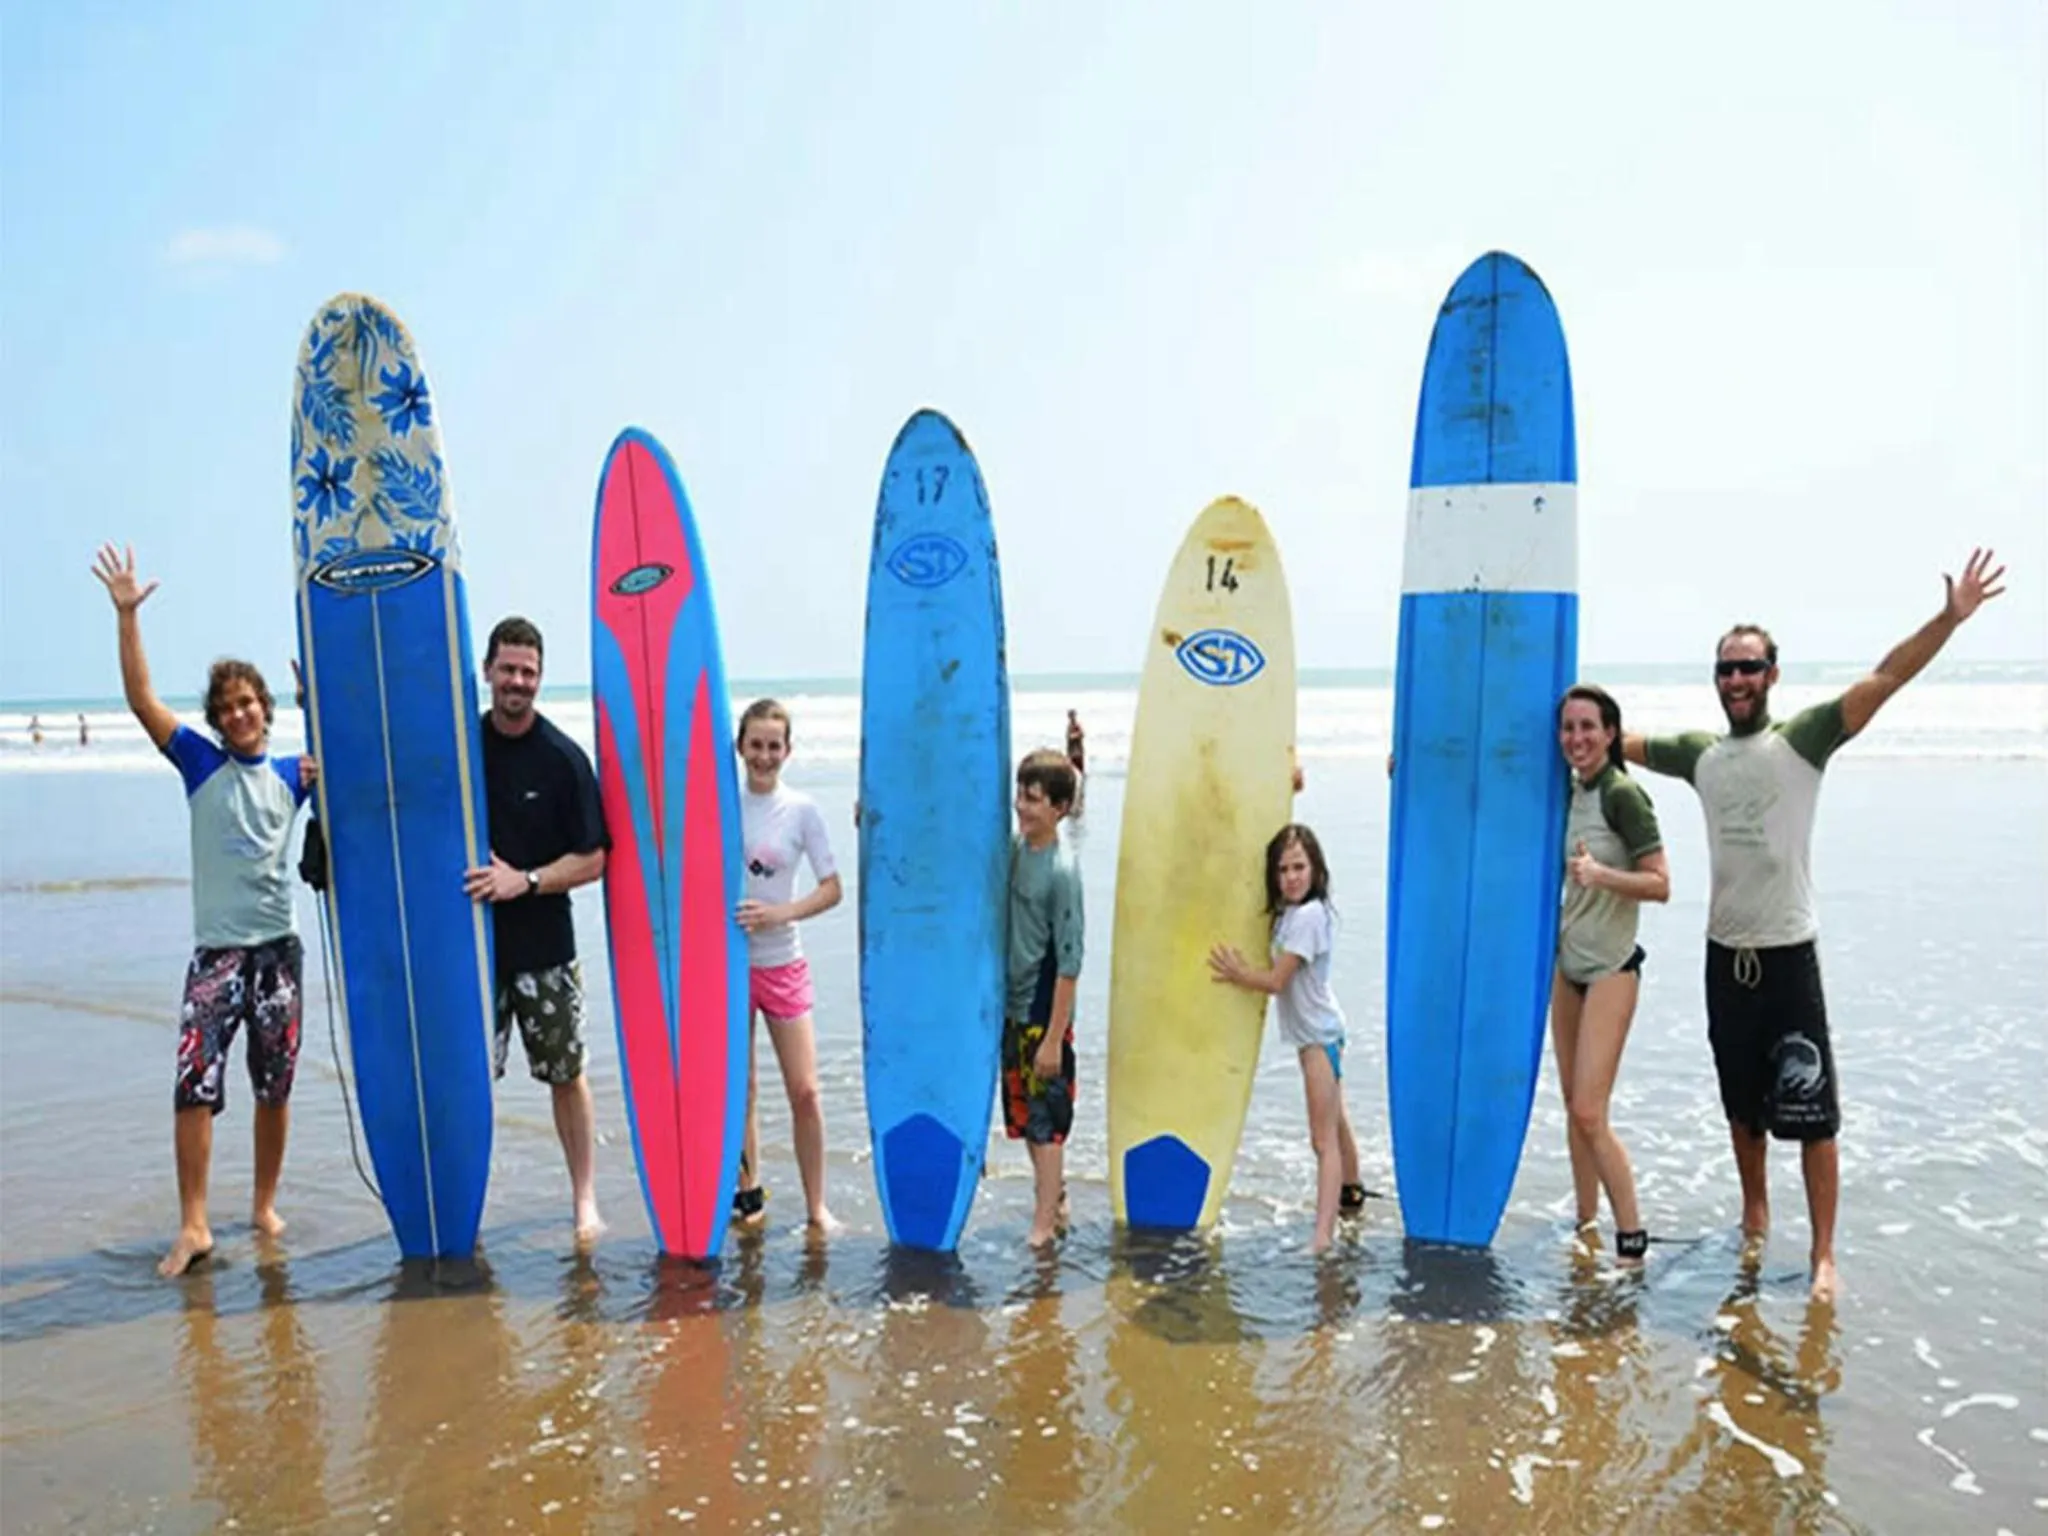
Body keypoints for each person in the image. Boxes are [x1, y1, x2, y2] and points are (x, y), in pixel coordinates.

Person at [1625, 548, 2007, 1302]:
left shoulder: (1804, 739)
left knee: (1813, 1115)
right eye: (1726, 670)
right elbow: (1607, 740)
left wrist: (1949, 619)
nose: (1737, 680)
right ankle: (1755, 1213)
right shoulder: (1699, 755)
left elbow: (1885, 679)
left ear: (1772, 674)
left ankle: (1826, 1253)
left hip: (1789, 957)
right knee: (1741, 1105)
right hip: (1723, 958)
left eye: (1750, 667)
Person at [91, 543, 316, 1278]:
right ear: (218, 722)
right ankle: (194, 1225)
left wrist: (323, 700)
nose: (239, 712)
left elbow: (351, 759)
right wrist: (128, 617)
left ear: (265, 709)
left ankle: (261, 1206)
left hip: (277, 951)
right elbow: (140, 701)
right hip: (218, 954)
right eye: (227, 707)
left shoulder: (293, 774)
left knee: (274, 1086)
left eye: (248, 701)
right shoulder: (200, 763)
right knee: (195, 1083)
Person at [463, 616, 609, 1250]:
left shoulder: (563, 760)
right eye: (507, 669)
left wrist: (522, 880)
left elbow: (596, 858)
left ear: (540, 678)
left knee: (565, 1074)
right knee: (468, 1081)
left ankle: (584, 1199)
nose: (517, 681)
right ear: (487, 671)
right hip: (470, 950)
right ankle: (464, 1203)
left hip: (545, 950)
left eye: (528, 672)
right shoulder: (461, 748)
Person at [1551, 684, 1669, 1266]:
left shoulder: (1623, 795)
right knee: (1573, 1104)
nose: (1577, 739)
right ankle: (1585, 1222)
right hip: (1565, 967)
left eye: (1588, 727)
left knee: (1591, 1112)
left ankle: (1631, 1238)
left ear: (1611, 733)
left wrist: (1601, 874)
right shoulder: (1564, 792)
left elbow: (1661, 883)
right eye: (1568, 728)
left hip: (1612, 971)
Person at [1208, 823, 1367, 1253]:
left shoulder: (1310, 916)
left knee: (1322, 1139)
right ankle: (1352, 1196)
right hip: (1319, 1033)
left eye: (1299, 867)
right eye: (1283, 869)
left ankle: (1322, 1237)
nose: (1292, 877)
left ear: (1315, 870)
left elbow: (1278, 981)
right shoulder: (1291, 915)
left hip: (1319, 1037)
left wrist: (1238, 974)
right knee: (1336, 1121)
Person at [729, 699, 844, 1235]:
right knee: (742, 1088)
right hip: (729, 967)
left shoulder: (801, 810)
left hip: (783, 963)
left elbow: (832, 889)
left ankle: (816, 1206)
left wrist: (780, 913)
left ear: (788, 750)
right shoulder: (723, 803)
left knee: (806, 1091)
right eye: (756, 745)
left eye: (774, 746)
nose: (765, 756)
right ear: (740, 746)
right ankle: (747, 1195)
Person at [1004, 747, 1085, 1247]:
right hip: (1012, 1010)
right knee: (1023, 1119)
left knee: (1045, 1123)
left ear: (1059, 808)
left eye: (1032, 799)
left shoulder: (1062, 872)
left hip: (1042, 1012)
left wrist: (1054, 1038)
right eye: (1019, 794)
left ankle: (1041, 1226)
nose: (1021, 806)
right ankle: (1054, 1203)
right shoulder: (1016, 851)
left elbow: (1071, 964)